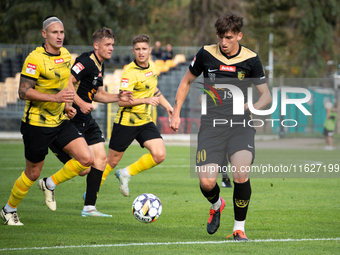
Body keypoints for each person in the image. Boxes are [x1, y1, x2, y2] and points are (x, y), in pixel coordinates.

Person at [170, 12, 271, 241]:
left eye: (228, 37)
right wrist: (176, 113)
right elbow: (186, 81)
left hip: (240, 125)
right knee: (206, 182)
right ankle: (217, 204)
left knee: (240, 174)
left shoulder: (251, 59)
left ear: (238, 35)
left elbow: (266, 95)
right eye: (220, 37)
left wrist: (252, 107)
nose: (223, 42)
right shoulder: (206, 54)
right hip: (211, 125)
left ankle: (239, 229)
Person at [0, 16, 94, 226]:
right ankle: (9, 210)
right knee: (32, 173)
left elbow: (66, 86)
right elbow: (23, 92)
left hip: (59, 121)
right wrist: (55, 98)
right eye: (54, 32)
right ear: (44, 34)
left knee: (86, 162)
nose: (59, 36)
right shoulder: (35, 59)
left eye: (61, 32)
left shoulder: (67, 55)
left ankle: (50, 184)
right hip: (37, 125)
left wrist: (68, 105)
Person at [46, 27, 132, 217]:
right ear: (96, 45)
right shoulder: (85, 61)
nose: (111, 48)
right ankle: (50, 182)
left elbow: (98, 94)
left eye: (112, 45)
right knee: (84, 168)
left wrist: (119, 96)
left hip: (86, 118)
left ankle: (89, 207)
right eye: (107, 45)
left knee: (101, 159)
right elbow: (67, 82)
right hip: (72, 118)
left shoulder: (100, 64)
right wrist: (79, 102)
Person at [100, 34, 173, 196]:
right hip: (126, 122)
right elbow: (122, 102)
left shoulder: (153, 67)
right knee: (111, 161)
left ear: (150, 50)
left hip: (145, 121)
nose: (141, 52)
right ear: (133, 51)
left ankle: (125, 173)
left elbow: (154, 90)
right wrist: (146, 100)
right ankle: (91, 194)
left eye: (144, 49)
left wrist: (168, 106)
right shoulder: (129, 73)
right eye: (138, 49)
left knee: (160, 154)